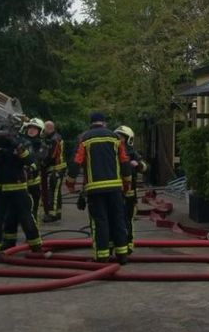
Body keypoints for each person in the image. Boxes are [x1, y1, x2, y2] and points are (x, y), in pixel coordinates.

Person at [66, 112, 130, 264]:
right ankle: (122, 255)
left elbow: (76, 162)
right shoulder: (115, 138)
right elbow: (124, 161)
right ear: (104, 123)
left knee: (100, 221)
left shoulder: (85, 139)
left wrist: (70, 182)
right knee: (118, 219)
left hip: (95, 189)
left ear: (91, 123)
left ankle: (101, 256)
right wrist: (126, 182)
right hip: (115, 187)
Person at [0, 132, 43, 262]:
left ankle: (36, 247)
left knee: (26, 217)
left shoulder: (21, 141)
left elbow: (31, 161)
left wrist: (17, 146)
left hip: (18, 188)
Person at [115, 125, 145, 255]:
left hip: (129, 193)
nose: (119, 139)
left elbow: (144, 167)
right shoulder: (112, 151)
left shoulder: (132, 153)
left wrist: (138, 165)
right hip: (115, 191)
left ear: (128, 139)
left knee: (128, 220)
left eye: (121, 137)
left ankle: (128, 245)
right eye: (118, 137)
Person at [41, 120, 66, 223]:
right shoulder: (54, 137)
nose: (43, 131)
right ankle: (58, 212)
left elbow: (52, 155)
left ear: (49, 128)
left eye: (44, 129)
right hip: (57, 168)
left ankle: (52, 214)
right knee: (56, 191)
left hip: (56, 168)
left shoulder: (54, 139)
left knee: (53, 191)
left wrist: (43, 163)